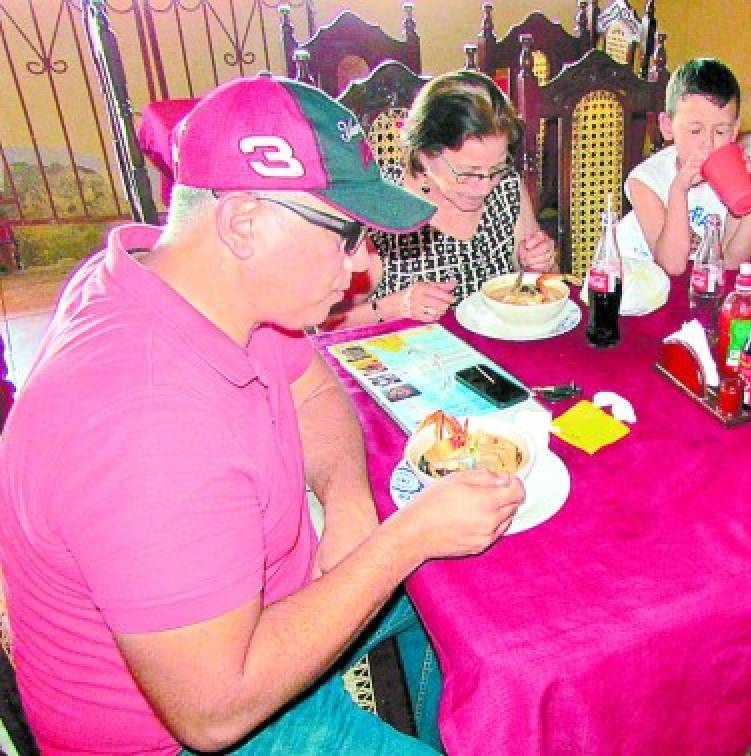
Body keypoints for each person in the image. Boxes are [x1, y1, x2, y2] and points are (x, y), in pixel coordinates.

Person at [0, 74, 525, 755]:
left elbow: (311, 387)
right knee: (435, 552)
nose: (365, 264)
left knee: (471, 578)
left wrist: (349, 508)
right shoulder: (146, 428)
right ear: (244, 222)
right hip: (201, 727)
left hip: (262, 615)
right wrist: (402, 541)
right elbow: (214, 714)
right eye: (347, 235)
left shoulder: (184, 277)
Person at [332, 70, 556, 328]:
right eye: (467, 173)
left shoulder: (506, 187)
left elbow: (539, 286)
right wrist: (396, 305)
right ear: (425, 155)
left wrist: (537, 265)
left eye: (496, 169)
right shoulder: (382, 205)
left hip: (494, 352)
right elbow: (329, 323)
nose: (484, 187)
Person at [615, 57, 751, 276]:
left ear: (735, 130)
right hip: (632, 281)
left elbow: (733, 261)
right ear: (667, 127)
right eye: (695, 131)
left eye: (721, 131)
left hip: (693, 284)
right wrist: (678, 190)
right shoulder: (644, 181)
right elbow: (672, 266)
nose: (708, 142)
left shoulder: (733, 177)